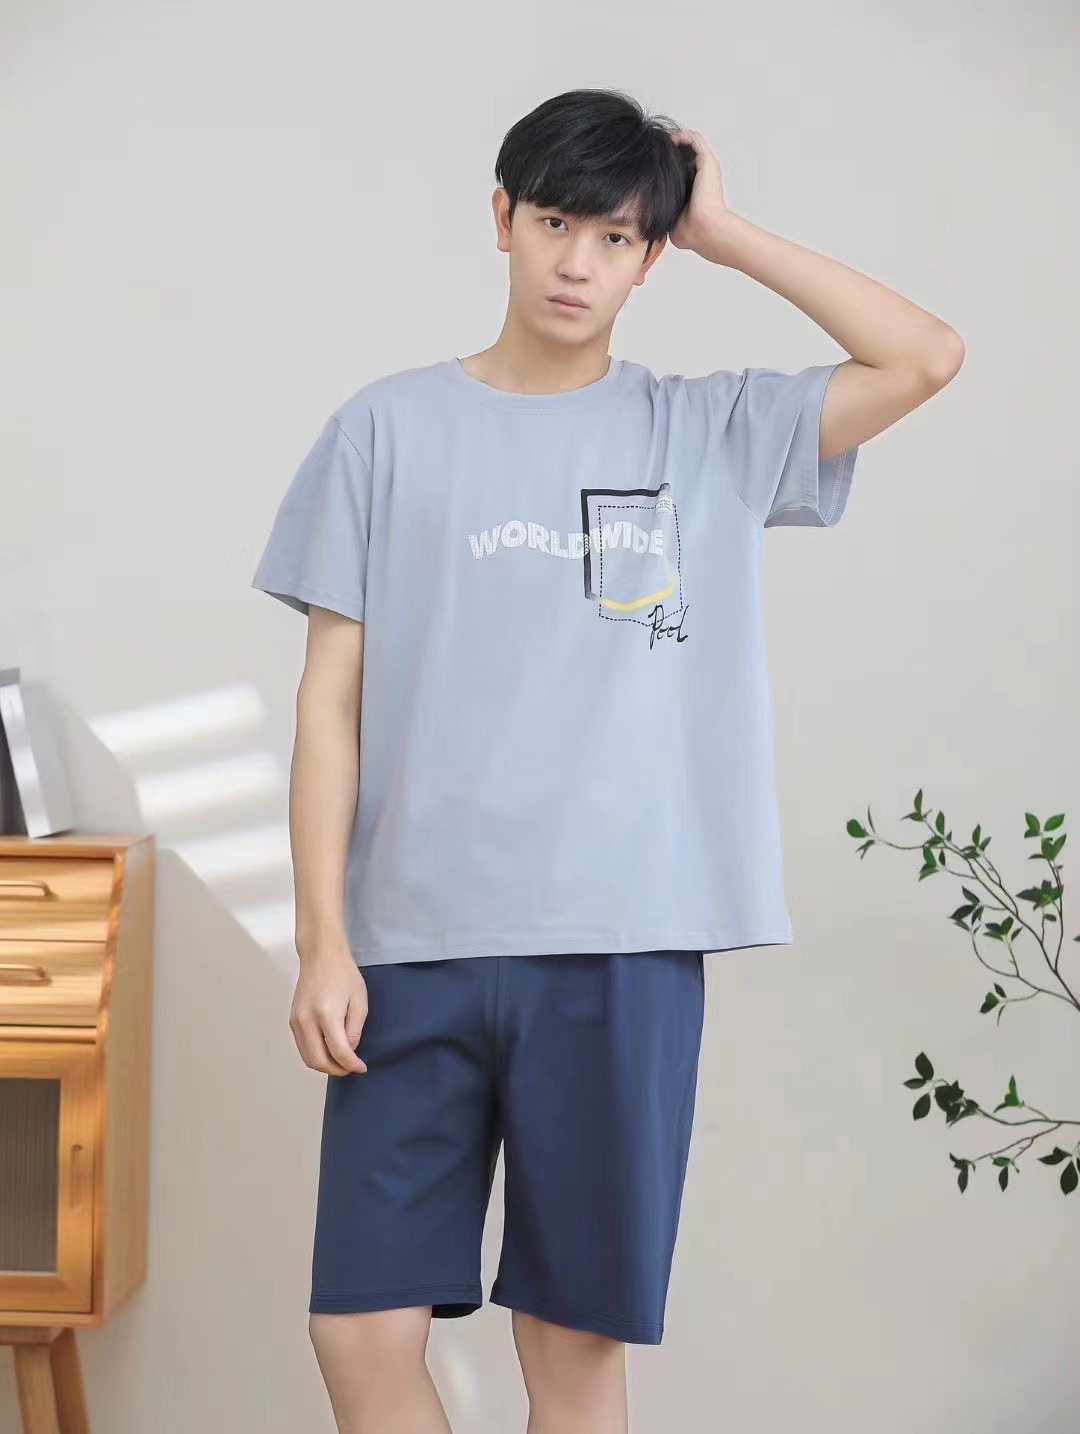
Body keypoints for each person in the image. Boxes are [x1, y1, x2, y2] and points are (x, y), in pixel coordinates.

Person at [251, 86, 963, 1434]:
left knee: (572, 1347)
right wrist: (323, 941)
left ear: (652, 256)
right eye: (556, 223)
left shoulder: (708, 432)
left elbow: (926, 356)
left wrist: (726, 231)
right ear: (503, 219)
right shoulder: (384, 431)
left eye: (619, 237)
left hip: (621, 945)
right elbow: (327, 705)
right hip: (410, 947)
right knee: (358, 1328)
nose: (578, 262)